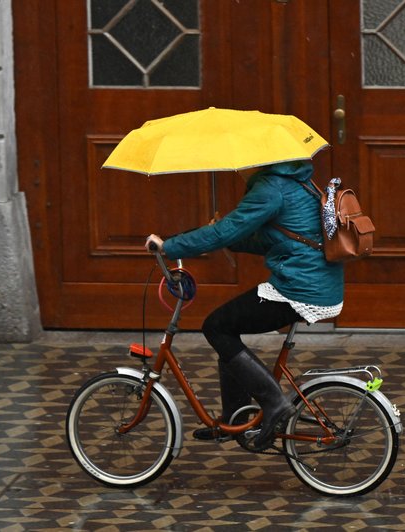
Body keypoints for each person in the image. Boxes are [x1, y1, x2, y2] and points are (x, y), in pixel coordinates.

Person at [145, 161, 344, 451]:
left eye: (241, 166)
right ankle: (234, 418)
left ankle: (274, 402)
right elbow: (272, 239)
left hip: (300, 289)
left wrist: (169, 246)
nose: (238, 170)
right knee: (228, 328)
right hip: (317, 285)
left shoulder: (271, 188)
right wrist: (230, 239)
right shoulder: (297, 182)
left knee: (217, 326)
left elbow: (224, 232)